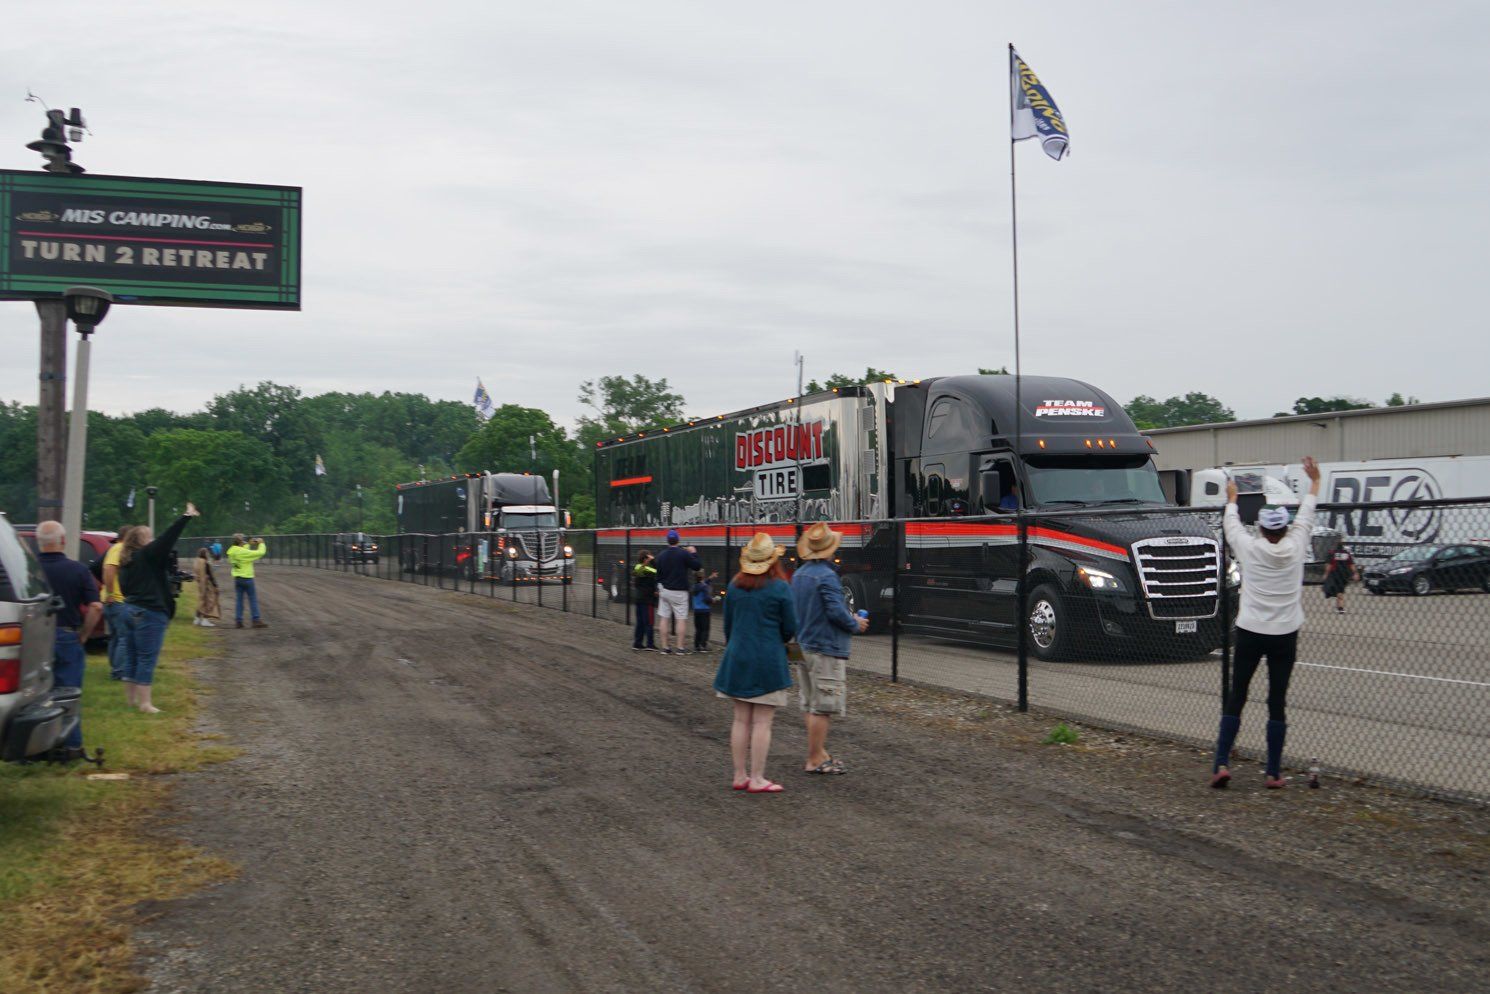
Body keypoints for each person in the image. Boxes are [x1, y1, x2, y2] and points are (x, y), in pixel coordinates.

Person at [1210, 457, 1321, 789]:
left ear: (1261, 528)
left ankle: (1220, 763)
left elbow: (1231, 526)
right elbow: (1307, 513)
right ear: (1285, 528)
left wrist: (1232, 498)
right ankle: (1273, 772)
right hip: (1285, 635)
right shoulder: (1297, 545)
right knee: (1277, 700)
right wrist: (1314, 482)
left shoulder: (1250, 548)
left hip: (1250, 631)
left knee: (1237, 695)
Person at [713, 532, 797, 793]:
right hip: (768, 659)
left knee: (740, 720)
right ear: (773, 561)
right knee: (762, 722)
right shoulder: (781, 588)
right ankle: (758, 778)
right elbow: (789, 628)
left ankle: (739, 775)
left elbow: (727, 626)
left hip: (737, 656)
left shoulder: (735, 585)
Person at [790, 522, 869, 775]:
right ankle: (815, 759)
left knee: (809, 702)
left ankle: (819, 752)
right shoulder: (827, 576)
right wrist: (855, 623)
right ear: (830, 549)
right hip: (824, 647)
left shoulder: (799, 574)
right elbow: (836, 612)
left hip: (801, 644)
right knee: (823, 706)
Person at [118, 503, 200, 713]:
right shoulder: (147, 555)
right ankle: (145, 704)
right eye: (149, 537)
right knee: (147, 657)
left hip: (129, 610)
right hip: (148, 612)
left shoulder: (127, 561)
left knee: (132, 656)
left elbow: (125, 588)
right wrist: (185, 517)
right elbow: (167, 538)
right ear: (142, 542)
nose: (153, 540)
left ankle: (130, 701)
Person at [35, 521, 102, 753]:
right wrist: (83, 635)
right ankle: (70, 745)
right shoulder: (78, 570)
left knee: (33, 695)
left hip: (33, 639)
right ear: (63, 542)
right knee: (68, 691)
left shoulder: (29, 570)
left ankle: (31, 747)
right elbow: (96, 607)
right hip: (66, 636)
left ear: (39, 544)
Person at [653, 529, 703, 654]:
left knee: (664, 618)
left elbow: (657, 574)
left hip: (665, 590)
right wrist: (694, 553)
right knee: (681, 619)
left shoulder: (661, 555)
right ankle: (680, 648)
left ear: (667, 541)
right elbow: (697, 566)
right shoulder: (683, 554)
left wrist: (658, 588)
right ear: (678, 540)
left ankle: (665, 647)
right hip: (680, 591)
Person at [100, 526, 135, 682]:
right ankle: (119, 671)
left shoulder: (113, 549)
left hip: (111, 600)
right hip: (117, 600)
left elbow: (106, 570)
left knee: (115, 636)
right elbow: (109, 569)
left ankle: (115, 667)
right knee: (124, 637)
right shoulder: (119, 548)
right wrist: (111, 593)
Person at [226, 533, 269, 629]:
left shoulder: (231, 551)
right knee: (252, 599)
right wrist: (261, 543)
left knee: (239, 600)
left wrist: (248, 544)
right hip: (247, 578)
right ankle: (256, 620)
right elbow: (259, 553)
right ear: (241, 542)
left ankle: (238, 621)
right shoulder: (243, 552)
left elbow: (243, 549)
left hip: (237, 578)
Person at [1322, 538, 1359, 614]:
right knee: (1340, 591)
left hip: (1333, 574)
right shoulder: (1347, 554)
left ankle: (1339, 604)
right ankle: (1340, 607)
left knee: (1331, 588)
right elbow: (1351, 565)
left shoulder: (1332, 553)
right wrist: (1355, 573)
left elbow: (1329, 565)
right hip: (1343, 575)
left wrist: (1326, 574)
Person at [631, 550, 658, 651]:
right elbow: (658, 570)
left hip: (639, 598)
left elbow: (635, 574)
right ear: (646, 558)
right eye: (649, 556)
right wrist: (653, 560)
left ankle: (637, 643)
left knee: (640, 622)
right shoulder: (648, 569)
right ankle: (650, 644)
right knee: (649, 622)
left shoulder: (637, 567)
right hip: (647, 599)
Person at [193, 547, 221, 627]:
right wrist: (216, 585)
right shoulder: (205, 562)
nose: (208, 554)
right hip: (207, 584)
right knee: (209, 602)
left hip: (200, 584)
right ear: (205, 554)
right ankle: (205, 620)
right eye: (207, 553)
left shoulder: (197, 561)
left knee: (201, 601)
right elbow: (211, 575)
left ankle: (197, 619)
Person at [692, 569, 718, 651]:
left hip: (696, 611)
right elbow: (707, 599)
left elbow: (703, 584)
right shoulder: (704, 587)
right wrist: (713, 600)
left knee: (698, 629)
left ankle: (697, 645)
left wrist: (711, 577)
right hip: (705, 610)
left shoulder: (694, 586)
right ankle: (703, 645)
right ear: (702, 576)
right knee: (705, 629)